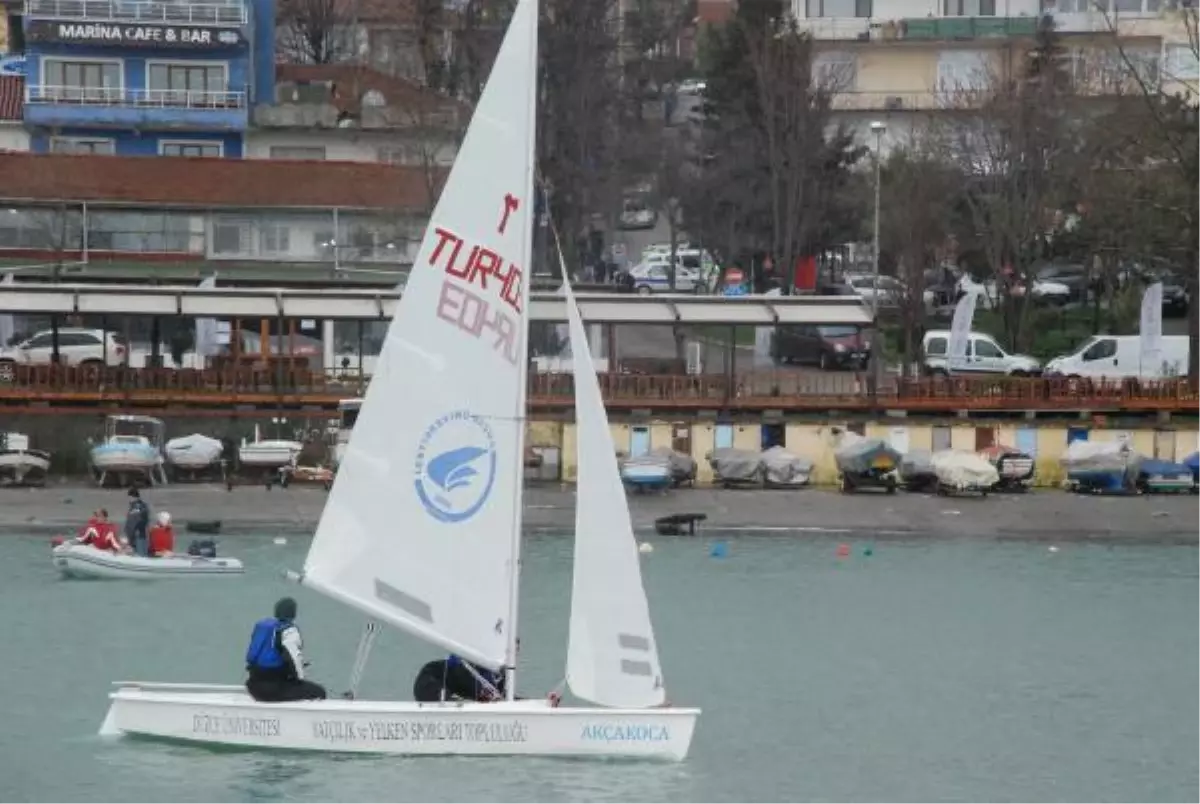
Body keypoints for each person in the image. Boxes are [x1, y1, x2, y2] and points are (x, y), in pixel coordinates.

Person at [244, 597, 328, 703]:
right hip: (273, 690)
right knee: (319, 692)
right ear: (293, 613)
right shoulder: (289, 631)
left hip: (254, 686)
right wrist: (299, 677)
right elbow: (294, 659)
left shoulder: (263, 626)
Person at [413, 654, 504, 703]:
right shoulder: (467, 668)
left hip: (447, 687)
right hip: (429, 682)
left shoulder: (497, 675)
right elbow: (463, 677)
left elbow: (501, 693)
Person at [125, 488, 151, 557]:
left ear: (132, 496)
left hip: (138, 535)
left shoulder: (137, 507)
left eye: (129, 497)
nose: (128, 500)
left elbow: (134, 523)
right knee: (141, 554)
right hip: (138, 535)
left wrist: (130, 538)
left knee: (140, 555)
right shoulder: (141, 506)